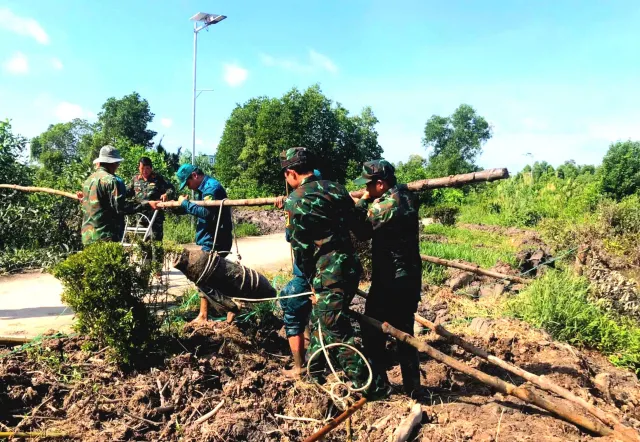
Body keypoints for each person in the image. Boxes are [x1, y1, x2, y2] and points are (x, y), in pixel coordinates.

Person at [280, 147, 367, 387]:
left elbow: (300, 250)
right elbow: (360, 228)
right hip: (350, 266)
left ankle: (371, 387)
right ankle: (313, 372)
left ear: (291, 173)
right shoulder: (337, 188)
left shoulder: (295, 200)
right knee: (323, 322)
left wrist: (312, 284)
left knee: (336, 330)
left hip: (328, 275)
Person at [352, 159, 422, 397]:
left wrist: (361, 201)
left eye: (368, 186)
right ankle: (413, 388)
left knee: (372, 330)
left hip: (392, 279)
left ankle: (379, 386)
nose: (366, 189)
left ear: (380, 184)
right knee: (405, 334)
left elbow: (360, 232)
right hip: (408, 277)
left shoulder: (389, 203)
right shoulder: (406, 195)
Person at [151, 164, 232, 324]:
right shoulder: (204, 189)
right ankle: (218, 311)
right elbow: (193, 209)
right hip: (211, 238)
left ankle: (210, 313)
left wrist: (186, 204)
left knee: (205, 277)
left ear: (194, 175)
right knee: (210, 278)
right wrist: (177, 205)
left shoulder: (211, 188)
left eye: (188, 183)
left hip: (215, 240)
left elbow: (207, 213)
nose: (188, 187)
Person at [274, 168, 321, 379]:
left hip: (310, 271)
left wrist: (289, 211)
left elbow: (291, 237)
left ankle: (300, 365)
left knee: (290, 303)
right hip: (328, 270)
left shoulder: (299, 200)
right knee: (314, 315)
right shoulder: (328, 195)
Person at [80, 145, 149, 246]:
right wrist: (146, 204)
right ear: (113, 163)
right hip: (105, 237)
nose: (118, 166)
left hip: (87, 236)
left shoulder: (88, 180)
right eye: (117, 163)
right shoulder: (113, 181)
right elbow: (121, 207)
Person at [126, 156, 175, 242]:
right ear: (139, 168)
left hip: (155, 218)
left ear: (151, 168)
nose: (145, 171)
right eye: (142, 168)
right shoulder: (135, 180)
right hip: (141, 217)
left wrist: (166, 194)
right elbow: (127, 193)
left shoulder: (158, 179)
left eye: (147, 168)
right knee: (141, 244)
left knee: (156, 244)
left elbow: (171, 189)